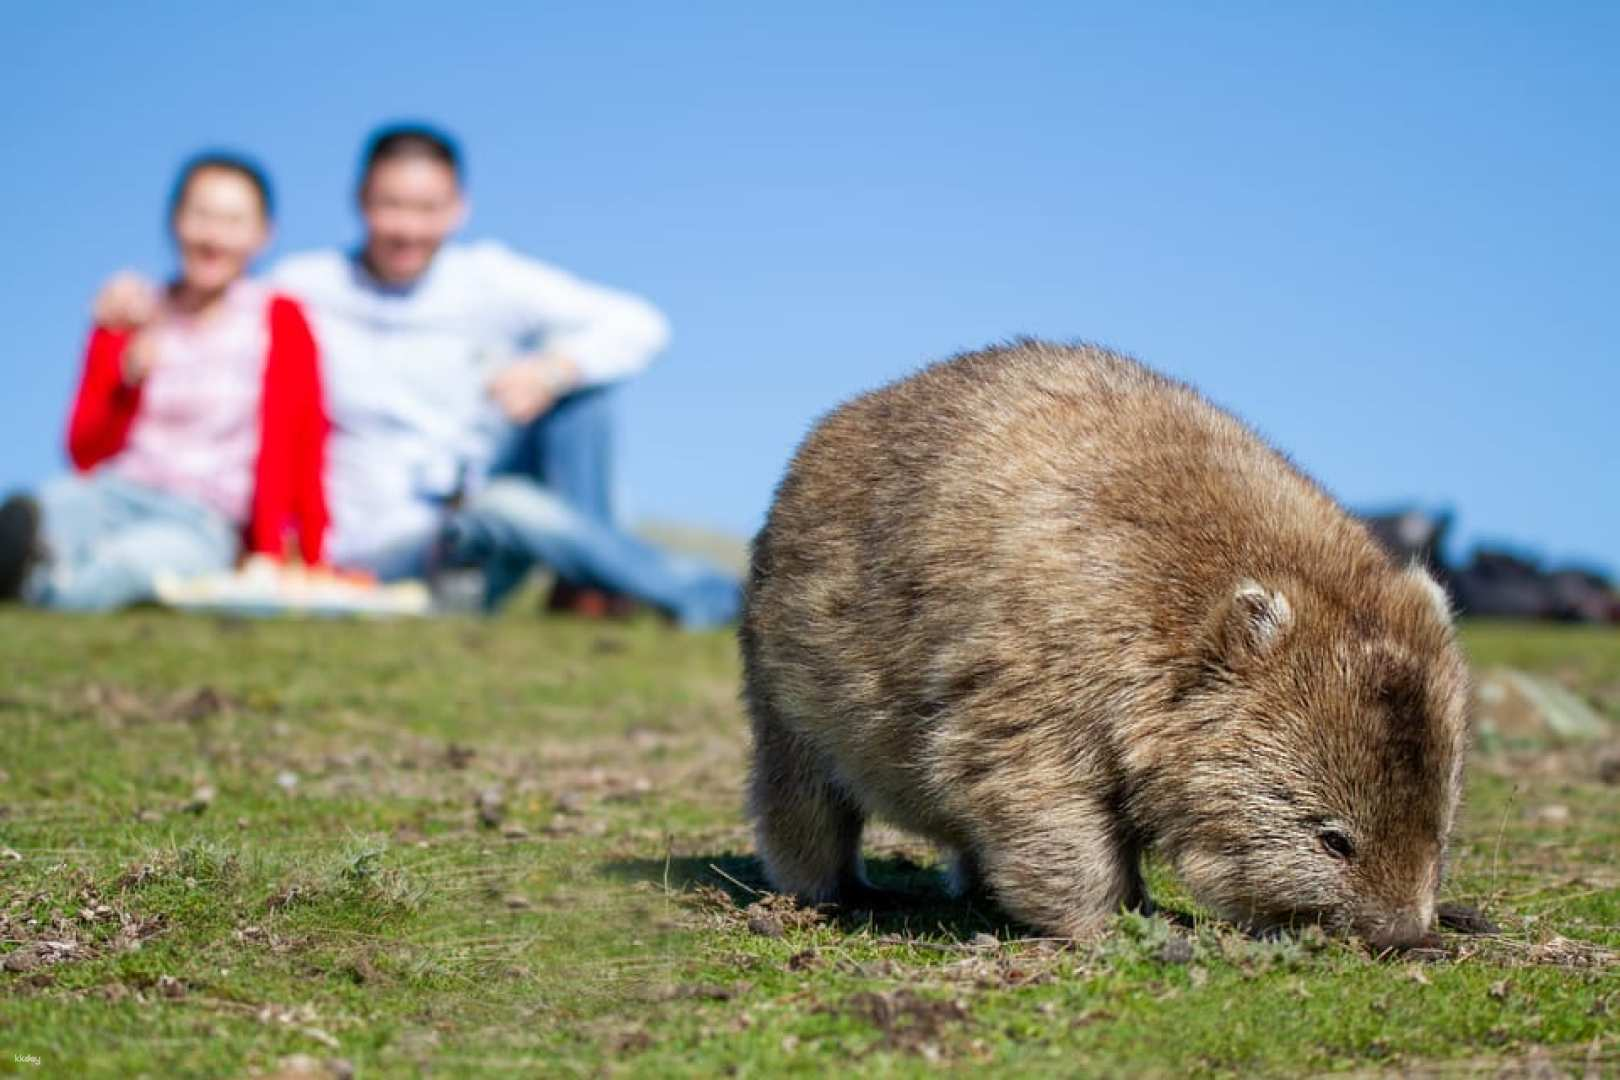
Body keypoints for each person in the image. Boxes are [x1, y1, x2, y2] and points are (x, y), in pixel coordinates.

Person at [92, 124, 740, 628]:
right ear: (360, 203)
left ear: (458, 208)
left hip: (467, 511)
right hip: (375, 550)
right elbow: (217, 305)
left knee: (584, 394)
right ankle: (714, 599)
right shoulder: (305, 288)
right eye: (391, 206)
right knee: (511, 507)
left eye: (427, 208)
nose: (407, 227)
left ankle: (598, 590)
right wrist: (138, 299)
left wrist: (550, 369)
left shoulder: (489, 279)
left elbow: (639, 322)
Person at [0, 154, 328, 611]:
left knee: (128, 567)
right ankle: (35, 572)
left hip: (204, 518)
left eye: (233, 221)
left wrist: (309, 556)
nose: (214, 236)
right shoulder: (130, 313)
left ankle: (41, 594)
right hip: (114, 493)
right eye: (201, 216)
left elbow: (306, 444)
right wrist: (125, 378)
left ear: (262, 234)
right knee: (46, 510)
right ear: (175, 220)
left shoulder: (280, 322)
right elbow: (82, 450)